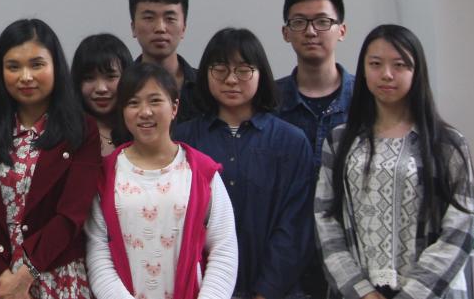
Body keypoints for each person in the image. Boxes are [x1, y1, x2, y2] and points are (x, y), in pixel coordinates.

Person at [315, 25, 474, 299]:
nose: (387, 74)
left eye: (399, 65)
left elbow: (460, 228)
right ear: (363, 70)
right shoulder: (340, 141)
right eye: (375, 64)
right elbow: (325, 219)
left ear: (416, 71)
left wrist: (414, 294)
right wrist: (361, 291)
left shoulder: (447, 144)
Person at [0, 18, 102, 299]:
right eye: (13, 67)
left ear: (55, 67)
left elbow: (72, 214)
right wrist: (4, 278)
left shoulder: (81, 130)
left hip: (57, 276)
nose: (25, 77)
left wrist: (25, 275)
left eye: (37, 64)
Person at [174, 28, 314, 299]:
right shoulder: (183, 141)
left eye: (243, 70)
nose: (231, 80)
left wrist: (266, 291)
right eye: (220, 70)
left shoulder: (291, 142)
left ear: (261, 74)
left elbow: (296, 227)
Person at [85, 62, 238, 299]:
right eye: (133, 103)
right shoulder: (105, 175)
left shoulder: (201, 172)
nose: (145, 112)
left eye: (155, 101)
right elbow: (98, 255)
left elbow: (223, 250)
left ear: (174, 107)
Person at [275, 0, 353, 299]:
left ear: (341, 30)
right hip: (287, 261)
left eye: (322, 21)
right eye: (299, 22)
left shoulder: (367, 101)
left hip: (353, 258)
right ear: (286, 33)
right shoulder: (268, 102)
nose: (310, 31)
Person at [128, 0, 201, 123]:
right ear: (133, 27)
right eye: (149, 18)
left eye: (170, 18)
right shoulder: (121, 87)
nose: (160, 28)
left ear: (184, 27)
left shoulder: (205, 87)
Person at [71, 33, 134, 156]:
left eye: (111, 77)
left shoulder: (141, 129)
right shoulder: (67, 134)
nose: (101, 89)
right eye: (89, 78)